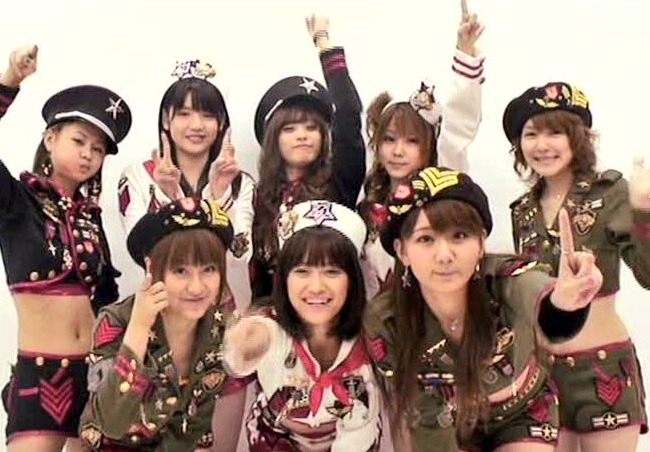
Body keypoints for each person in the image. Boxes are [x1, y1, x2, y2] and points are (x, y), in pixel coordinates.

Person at [0, 45, 130, 452]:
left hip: (95, 376)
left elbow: (105, 300)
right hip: (42, 376)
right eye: (79, 140)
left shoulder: (90, 218)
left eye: (98, 149)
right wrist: (9, 81)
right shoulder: (15, 203)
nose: (88, 154)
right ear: (50, 139)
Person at [364, 167, 604, 452]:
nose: (444, 255)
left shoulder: (505, 279)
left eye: (459, 236)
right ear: (402, 251)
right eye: (426, 239)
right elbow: (425, 417)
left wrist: (564, 301)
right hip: (444, 420)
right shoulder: (386, 321)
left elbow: (537, 295)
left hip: (522, 410)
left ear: (481, 244)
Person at [503, 81, 650, 452]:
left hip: (602, 370)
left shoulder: (610, 193)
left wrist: (642, 205)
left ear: (578, 138)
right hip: (542, 375)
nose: (542, 145)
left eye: (555, 132)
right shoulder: (523, 210)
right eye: (531, 134)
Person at [79, 196, 236, 452]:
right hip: (113, 451)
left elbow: (192, 426)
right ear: (152, 267)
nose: (197, 287)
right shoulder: (115, 321)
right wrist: (139, 329)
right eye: (181, 271)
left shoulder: (217, 329)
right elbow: (111, 422)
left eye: (209, 269)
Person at [223, 200, 381, 452]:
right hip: (278, 433)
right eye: (302, 271)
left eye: (332, 271)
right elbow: (243, 350)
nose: (316, 286)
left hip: (353, 431)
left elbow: (359, 435)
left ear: (352, 279)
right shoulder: (270, 325)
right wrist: (243, 342)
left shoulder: (371, 336)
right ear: (284, 278)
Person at [359, 0, 485, 300]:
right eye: (390, 139)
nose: (398, 151)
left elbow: (459, 127)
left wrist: (465, 53)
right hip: (379, 319)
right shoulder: (369, 199)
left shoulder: (443, 188)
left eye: (412, 141)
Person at [118, 59, 254, 312]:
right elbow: (145, 254)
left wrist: (219, 193)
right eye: (184, 114)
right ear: (165, 120)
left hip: (219, 310)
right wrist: (167, 194)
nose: (196, 125)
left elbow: (238, 258)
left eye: (207, 115)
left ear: (221, 123)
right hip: (161, 307)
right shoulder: (137, 176)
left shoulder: (240, 183)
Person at [251, 15, 366, 301]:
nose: (302, 136)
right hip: (274, 315)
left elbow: (348, 116)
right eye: (290, 129)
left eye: (312, 128)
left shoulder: (338, 182)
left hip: (328, 307)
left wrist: (325, 46)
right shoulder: (260, 197)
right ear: (273, 139)